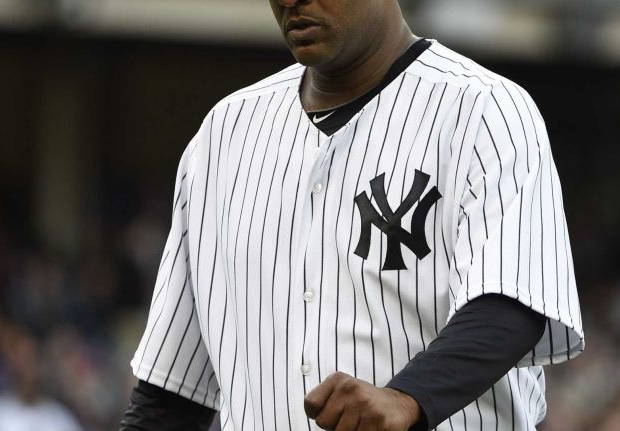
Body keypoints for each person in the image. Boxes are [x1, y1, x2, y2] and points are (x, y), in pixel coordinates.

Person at [120, 0, 585, 430]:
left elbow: (510, 306)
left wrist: (407, 398)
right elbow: (171, 395)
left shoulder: (484, 109)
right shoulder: (223, 134)